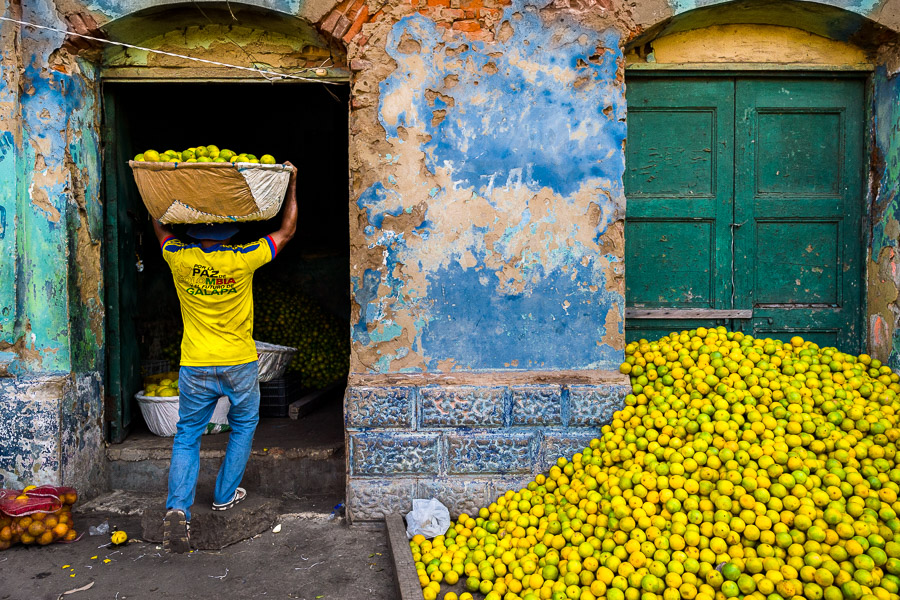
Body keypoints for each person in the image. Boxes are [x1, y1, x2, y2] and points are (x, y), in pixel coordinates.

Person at [150, 162, 298, 553]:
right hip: (238, 363)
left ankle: (178, 510)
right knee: (245, 423)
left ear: (193, 232)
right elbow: (286, 231)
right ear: (231, 234)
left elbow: (161, 229)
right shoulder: (243, 257)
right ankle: (223, 495)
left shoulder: (179, 259)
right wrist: (293, 183)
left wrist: (154, 194)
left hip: (196, 364)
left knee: (187, 435)